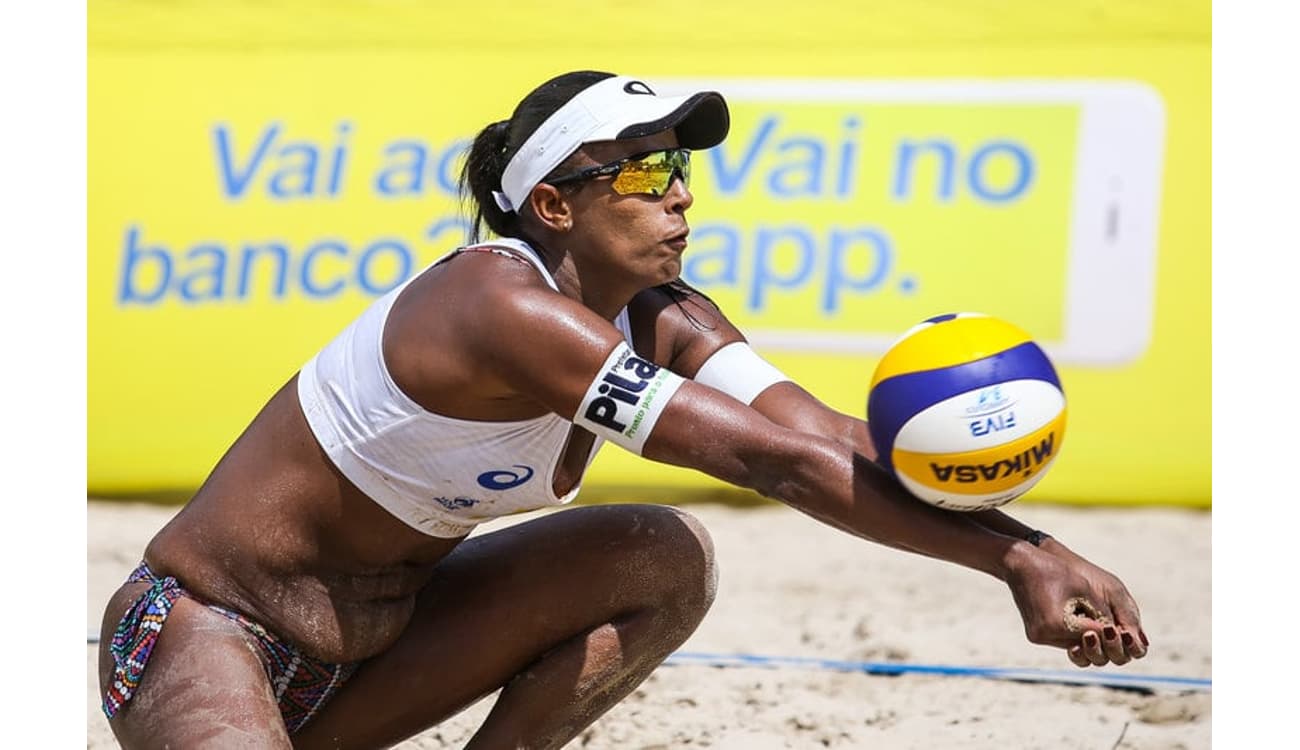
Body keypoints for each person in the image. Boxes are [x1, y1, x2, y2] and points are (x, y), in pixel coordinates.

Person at [97, 70, 1149, 749]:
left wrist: (1031, 538)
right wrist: (1011, 563)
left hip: (376, 654)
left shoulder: (663, 313)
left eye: (680, 167)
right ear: (553, 206)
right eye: (643, 169)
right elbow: (771, 469)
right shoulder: (496, 304)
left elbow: (819, 436)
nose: (678, 192)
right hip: (206, 632)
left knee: (662, 556)